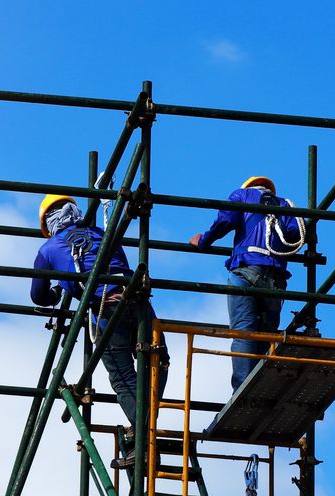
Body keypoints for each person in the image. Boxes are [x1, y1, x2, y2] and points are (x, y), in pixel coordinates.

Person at [31, 194, 168, 464]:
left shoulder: (48, 249)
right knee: (158, 361)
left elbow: (38, 295)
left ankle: (142, 439)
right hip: (136, 300)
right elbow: (121, 264)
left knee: (123, 376)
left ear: (48, 223)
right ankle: (143, 428)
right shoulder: (101, 233)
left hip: (105, 308)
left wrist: (57, 292)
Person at [189, 176, 304, 391]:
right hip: (275, 279)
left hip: (247, 269)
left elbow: (226, 220)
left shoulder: (242, 195)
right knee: (266, 336)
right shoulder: (285, 205)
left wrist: (203, 240)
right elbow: (298, 234)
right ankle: (262, 388)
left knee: (244, 332)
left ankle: (242, 390)